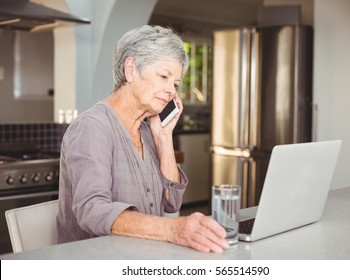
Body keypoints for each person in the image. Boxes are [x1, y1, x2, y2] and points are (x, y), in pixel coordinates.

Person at [56, 25, 228, 253]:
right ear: (130, 69)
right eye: (163, 76)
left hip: (143, 257)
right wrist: (173, 230)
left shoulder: (147, 131)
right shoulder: (92, 127)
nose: (170, 91)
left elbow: (171, 202)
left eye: (175, 84)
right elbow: (92, 211)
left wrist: (164, 136)